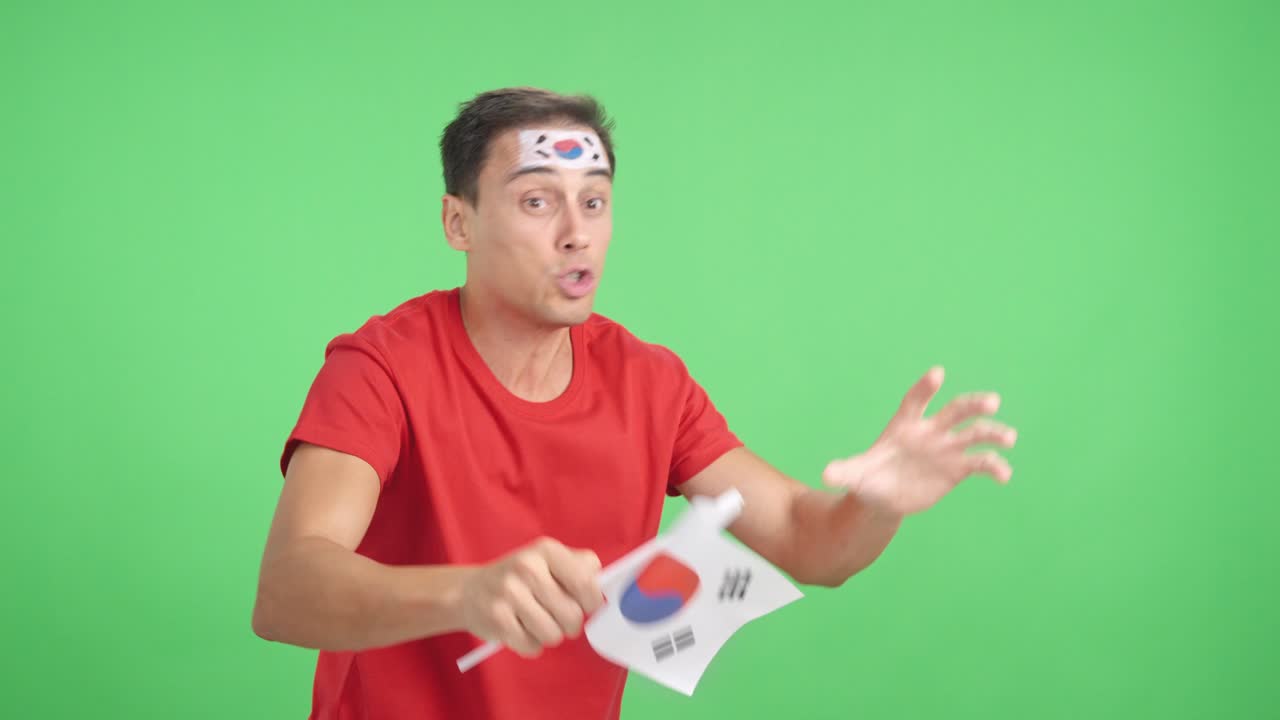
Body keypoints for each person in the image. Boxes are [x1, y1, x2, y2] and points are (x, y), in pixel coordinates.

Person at [252, 86, 1018, 720]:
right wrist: (469, 591)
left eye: (595, 201)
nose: (576, 233)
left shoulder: (649, 382)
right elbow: (287, 592)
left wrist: (875, 504)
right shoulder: (381, 365)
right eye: (536, 202)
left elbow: (807, 540)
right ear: (460, 222)